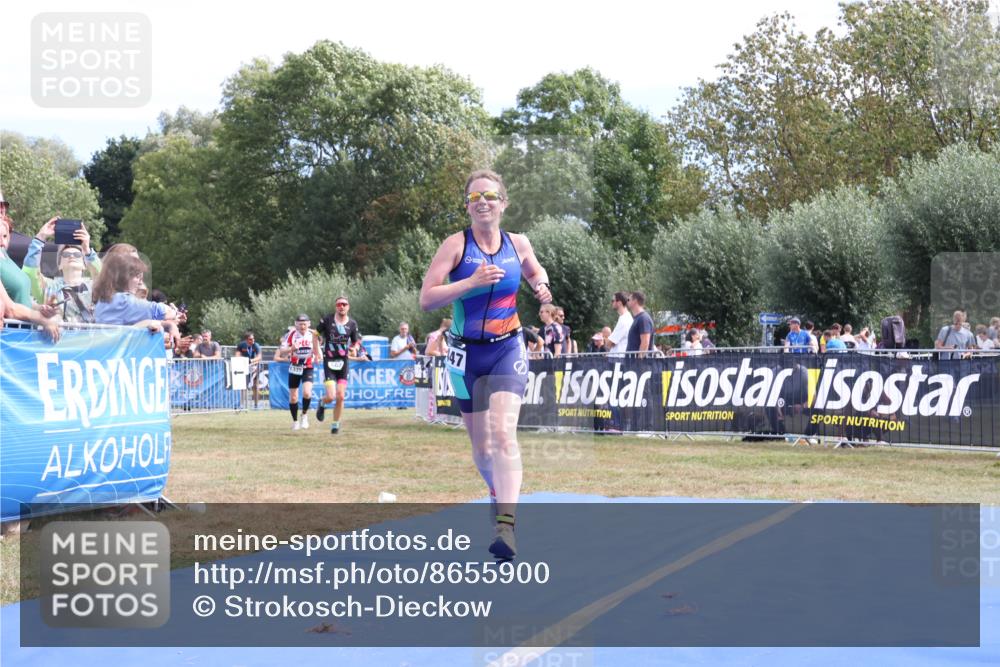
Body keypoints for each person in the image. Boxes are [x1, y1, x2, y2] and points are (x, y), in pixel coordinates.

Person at [419, 169, 552, 560]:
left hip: (507, 348)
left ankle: (506, 527)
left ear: (503, 203)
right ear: (467, 206)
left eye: (490, 196)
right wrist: (470, 282)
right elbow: (427, 299)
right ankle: (498, 493)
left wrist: (541, 287)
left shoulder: (518, 243)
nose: (482, 202)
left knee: (503, 434)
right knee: (481, 447)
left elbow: (534, 269)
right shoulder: (455, 245)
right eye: (474, 197)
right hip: (464, 356)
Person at [22, 217, 102, 323]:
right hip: (56, 334)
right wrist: (40, 238)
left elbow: (103, 278)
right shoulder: (49, 287)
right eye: (66, 254)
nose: (71, 256)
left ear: (84, 264)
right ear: (59, 264)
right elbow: (31, 274)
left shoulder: (93, 287)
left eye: (77, 254)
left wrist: (87, 250)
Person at [316, 296, 362, 434]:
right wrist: (316, 351)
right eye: (339, 304)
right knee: (331, 396)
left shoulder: (352, 323)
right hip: (329, 361)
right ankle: (322, 403)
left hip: (343, 362)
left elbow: (356, 341)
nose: (341, 306)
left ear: (348, 307)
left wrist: (355, 348)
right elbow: (315, 334)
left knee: (340, 396)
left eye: (344, 304)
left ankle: (335, 425)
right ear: (336, 306)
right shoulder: (327, 320)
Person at [275, 314, 321, 431]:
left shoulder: (313, 335)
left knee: (307, 393)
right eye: (300, 324)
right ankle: (295, 421)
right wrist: (291, 349)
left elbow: (318, 350)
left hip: (308, 366)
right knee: (293, 397)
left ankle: (304, 415)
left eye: (304, 324)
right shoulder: (291, 335)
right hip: (295, 367)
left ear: (309, 324)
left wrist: (318, 356)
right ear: (296, 324)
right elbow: (282, 351)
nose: (302, 326)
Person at [626, 291, 653, 355]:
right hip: (632, 360)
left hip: (639, 361)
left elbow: (645, 343)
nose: (627, 301)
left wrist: (639, 360)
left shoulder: (643, 318)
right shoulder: (638, 318)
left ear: (635, 301)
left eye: (628, 299)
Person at [606, 292, 633, 357]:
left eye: (613, 301)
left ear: (619, 302)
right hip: (619, 358)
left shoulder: (624, 320)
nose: (612, 303)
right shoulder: (625, 317)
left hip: (619, 359)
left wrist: (606, 338)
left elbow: (609, 343)